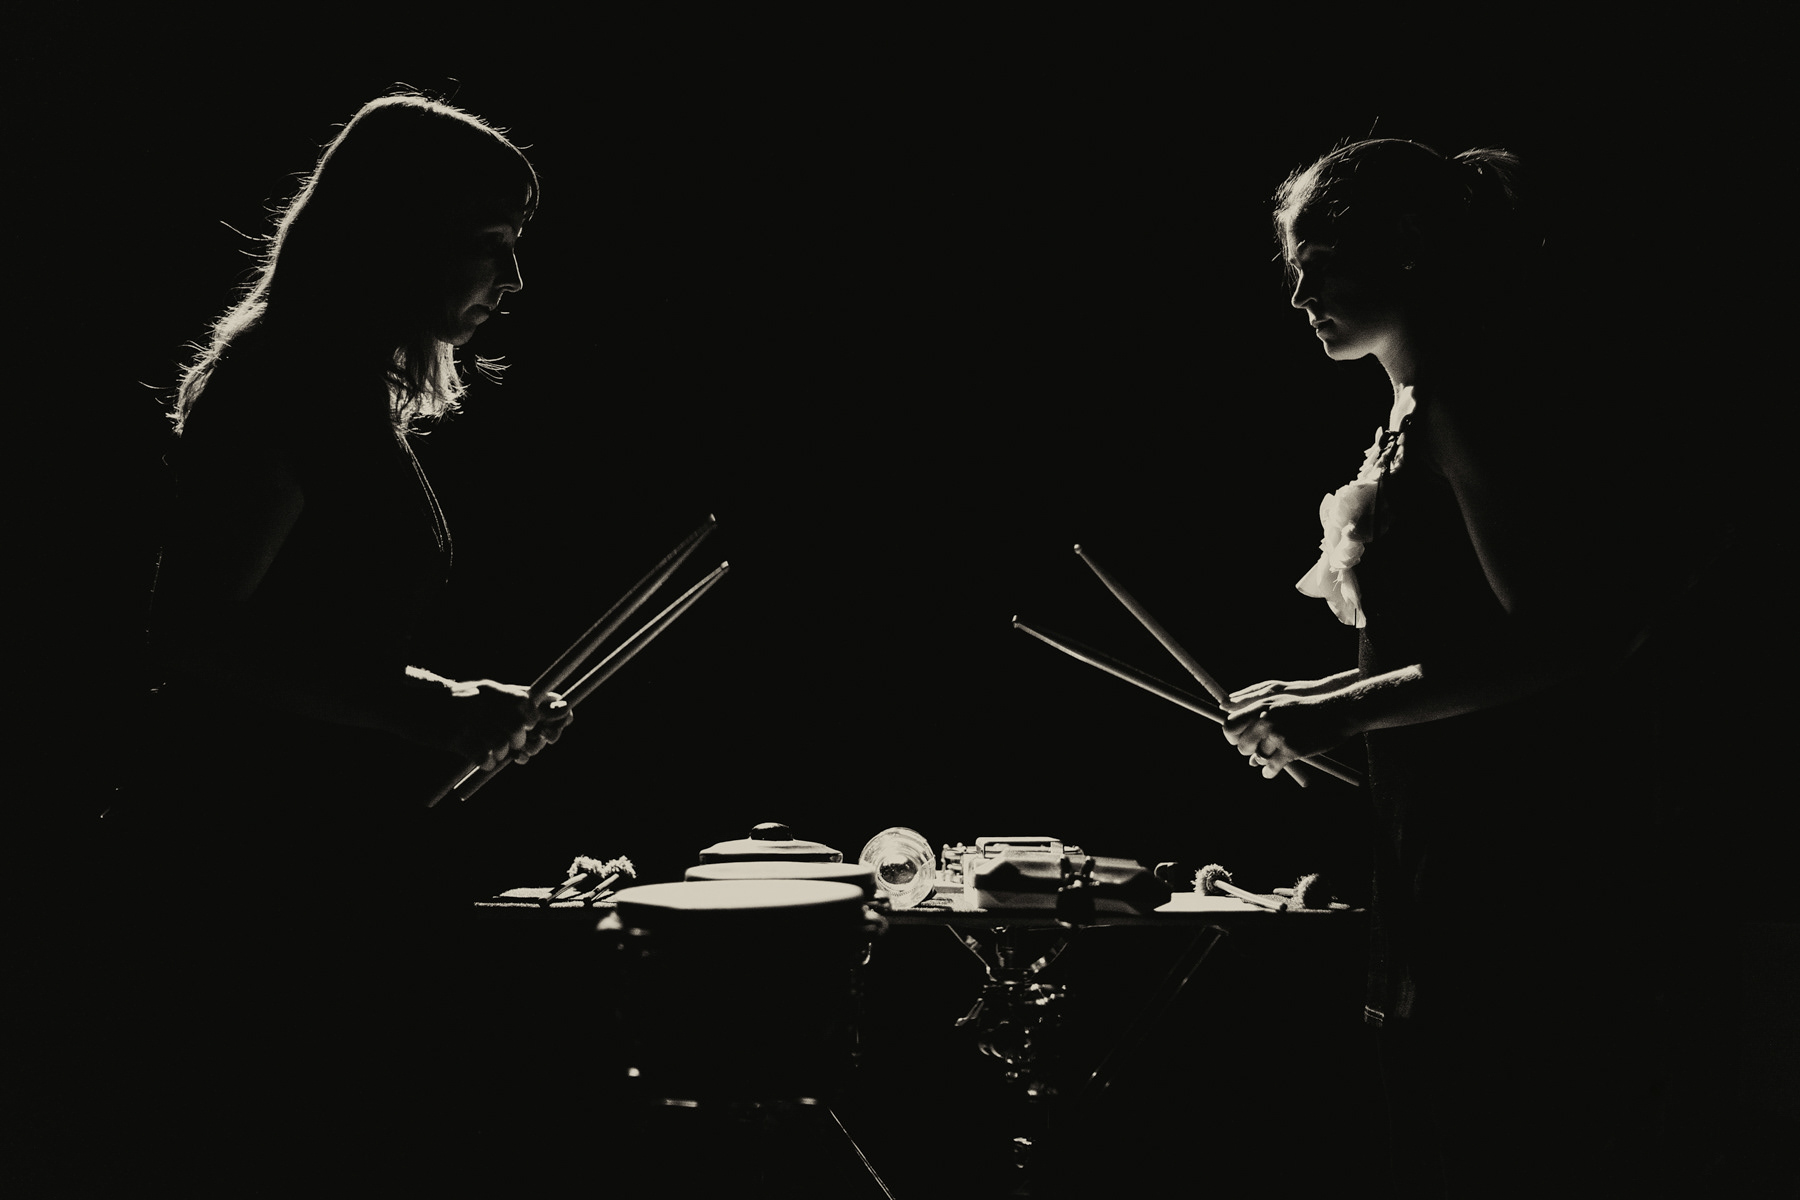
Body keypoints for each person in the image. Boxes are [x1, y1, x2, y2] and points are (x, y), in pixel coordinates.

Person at [93, 93, 572, 1187]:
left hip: (302, 853)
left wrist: (456, 699)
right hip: (232, 869)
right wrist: (432, 709)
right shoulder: (281, 381)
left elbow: (314, 635)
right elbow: (195, 634)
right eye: (491, 241)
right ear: (402, 233)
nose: (512, 278)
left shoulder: (347, 387)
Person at [1219, 139, 1680, 1197]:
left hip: (1507, 859)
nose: (1299, 295)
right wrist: (1323, 700)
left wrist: (1345, 711)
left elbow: (1567, 635)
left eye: (1320, 263)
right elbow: (1445, 636)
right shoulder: (1414, 405)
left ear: (1409, 247)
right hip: (1431, 843)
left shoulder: (1470, 395)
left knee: (1487, 1136)